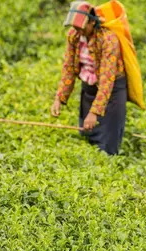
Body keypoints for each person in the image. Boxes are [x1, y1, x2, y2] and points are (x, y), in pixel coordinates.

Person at [50, 1, 127, 155]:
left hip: (111, 93)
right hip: (89, 89)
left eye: (81, 27)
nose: (77, 30)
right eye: (75, 27)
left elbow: (106, 79)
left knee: (107, 143)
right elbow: (69, 68)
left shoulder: (108, 40)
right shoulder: (74, 36)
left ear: (92, 22)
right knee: (88, 136)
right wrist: (59, 98)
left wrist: (95, 112)